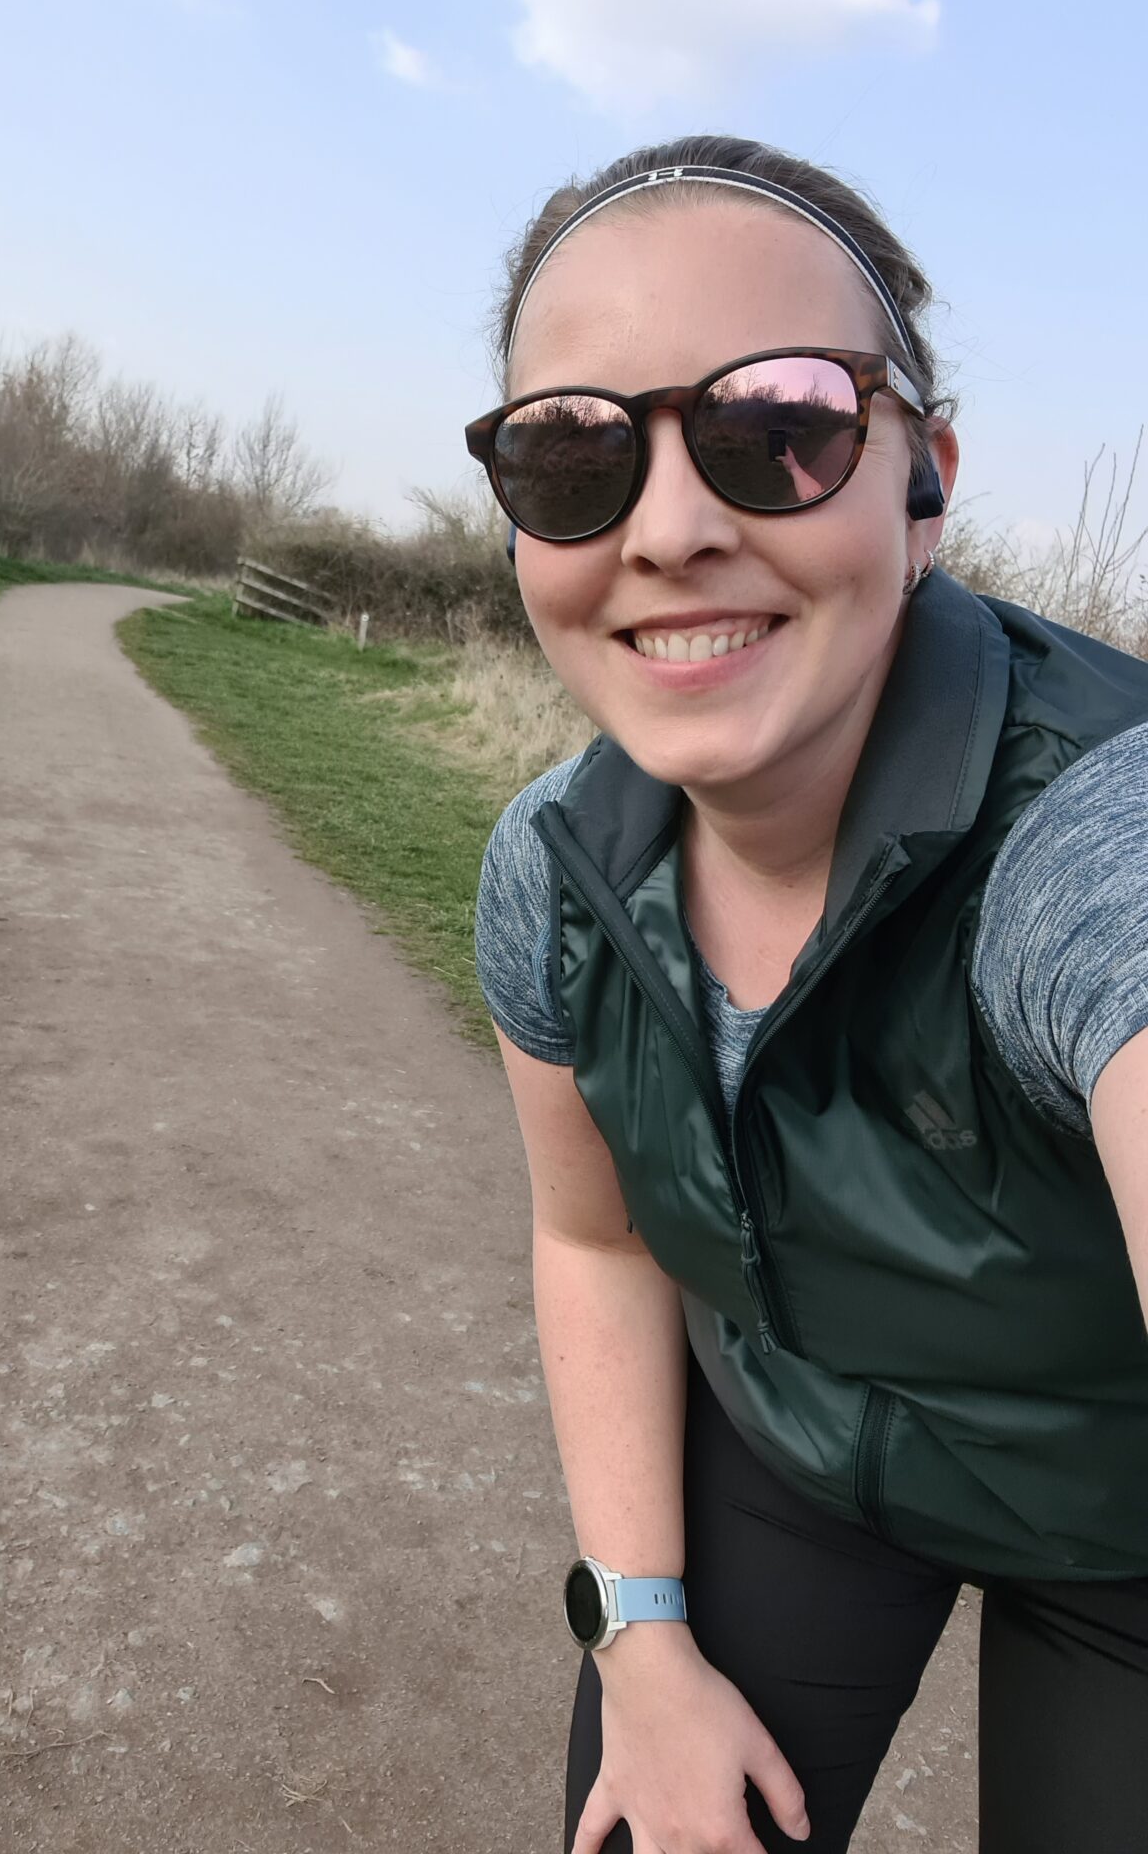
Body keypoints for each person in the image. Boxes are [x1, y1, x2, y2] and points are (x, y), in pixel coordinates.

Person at [465, 135, 1148, 1854]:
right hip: (800, 1438)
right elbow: (601, 1238)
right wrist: (642, 1635)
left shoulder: (1097, 846)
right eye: (574, 459)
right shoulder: (551, 874)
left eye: (783, 426)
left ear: (924, 487)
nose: (674, 530)